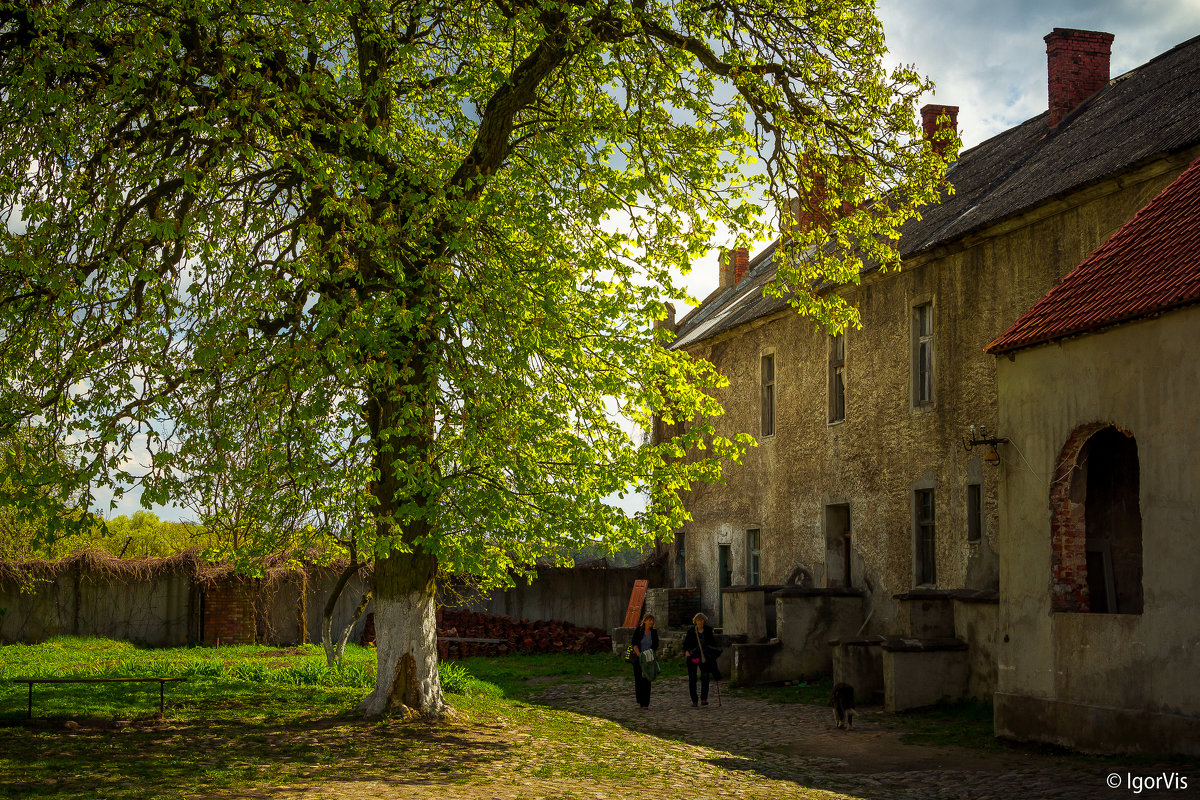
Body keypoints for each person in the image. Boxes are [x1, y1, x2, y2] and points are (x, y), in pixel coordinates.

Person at [682, 612, 718, 707]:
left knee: (705, 677)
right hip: (693, 656)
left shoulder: (708, 631)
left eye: (701, 620)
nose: (700, 622)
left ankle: (703, 699)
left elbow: (712, 644)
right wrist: (686, 651)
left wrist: (712, 654)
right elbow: (686, 643)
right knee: (692, 679)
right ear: (695, 621)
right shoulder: (691, 631)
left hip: (704, 657)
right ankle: (694, 700)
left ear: (704, 621)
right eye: (698, 620)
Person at [631, 612, 659, 709]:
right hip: (639, 658)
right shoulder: (639, 630)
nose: (651, 622)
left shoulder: (654, 632)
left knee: (647, 680)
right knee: (639, 680)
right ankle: (640, 701)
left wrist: (650, 653)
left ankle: (646, 703)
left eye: (652, 620)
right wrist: (639, 654)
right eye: (649, 620)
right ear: (645, 621)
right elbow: (634, 643)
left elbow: (655, 645)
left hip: (649, 658)